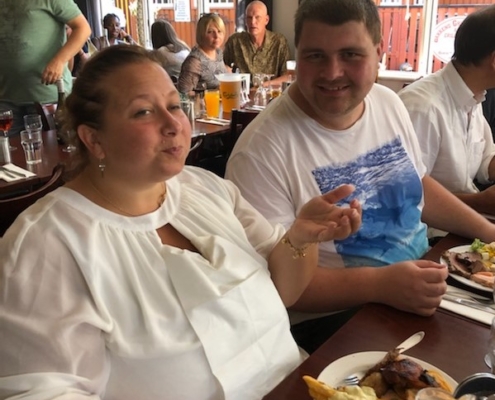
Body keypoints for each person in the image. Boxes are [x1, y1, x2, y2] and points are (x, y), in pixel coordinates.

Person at [0, 45, 362, 399]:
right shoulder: (46, 243)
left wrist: (301, 238)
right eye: (144, 112)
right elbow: (43, 389)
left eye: (174, 105)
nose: (174, 123)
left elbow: (283, 291)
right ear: (93, 139)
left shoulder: (203, 187)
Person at [225, 0, 495, 353]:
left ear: (378, 52)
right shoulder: (259, 151)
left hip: (419, 282)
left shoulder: (387, 102)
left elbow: (418, 185)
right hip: (331, 322)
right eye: (315, 56)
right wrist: (380, 284)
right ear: (297, 56)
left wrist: (489, 235)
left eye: (350, 54)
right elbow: (276, 286)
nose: (332, 72)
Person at [398, 5, 495, 215]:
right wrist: (478, 203)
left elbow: (485, 161)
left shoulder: (474, 95)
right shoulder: (423, 107)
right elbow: (404, 197)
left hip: (464, 221)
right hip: (430, 231)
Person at [0, 0, 91, 135]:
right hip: (5, 98)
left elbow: (83, 28)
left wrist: (59, 61)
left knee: (55, 147)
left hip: (48, 97)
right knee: (8, 148)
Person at [223, 1, 291, 85]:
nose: (252, 22)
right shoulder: (235, 41)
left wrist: (264, 86)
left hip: (270, 91)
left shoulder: (279, 42)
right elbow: (222, 68)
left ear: (266, 20)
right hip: (241, 92)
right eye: (249, 18)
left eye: (257, 17)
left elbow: (288, 76)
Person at [178, 13, 229, 94]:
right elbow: (184, 93)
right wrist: (214, 92)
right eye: (210, 32)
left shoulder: (218, 52)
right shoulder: (195, 61)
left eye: (219, 31)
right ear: (201, 34)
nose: (216, 36)